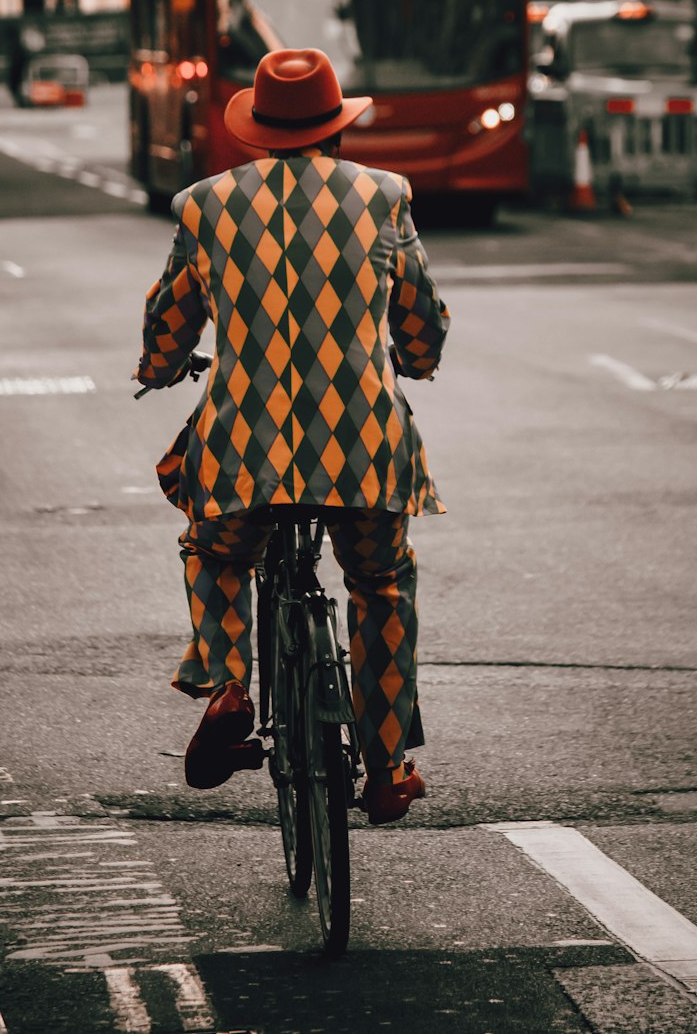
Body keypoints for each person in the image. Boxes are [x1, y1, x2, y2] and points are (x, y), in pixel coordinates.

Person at [135, 48, 449, 823]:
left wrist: (161, 364)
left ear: (260, 132)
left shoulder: (205, 205)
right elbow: (419, 319)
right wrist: (412, 357)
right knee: (379, 585)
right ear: (336, 127)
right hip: (366, 449)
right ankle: (384, 767)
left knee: (215, 549)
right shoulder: (384, 197)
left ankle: (230, 684)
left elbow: (169, 320)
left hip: (244, 448)